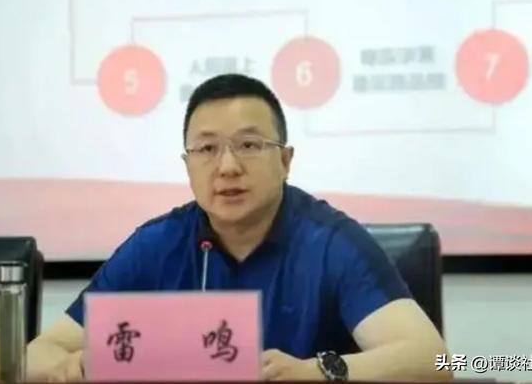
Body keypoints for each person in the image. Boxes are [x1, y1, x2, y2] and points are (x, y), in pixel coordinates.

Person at [27, 73, 451, 381]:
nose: (227, 166)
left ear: (285, 160)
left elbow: (435, 360)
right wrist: (71, 366)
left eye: (248, 145)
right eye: (207, 149)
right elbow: (34, 355)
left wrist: (317, 372)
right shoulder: (155, 245)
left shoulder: (331, 243)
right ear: (188, 165)